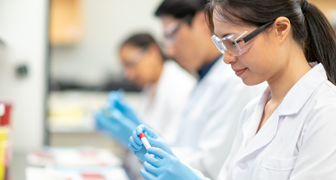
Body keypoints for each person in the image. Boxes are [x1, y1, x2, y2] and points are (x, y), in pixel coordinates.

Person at [128, 0, 336, 179]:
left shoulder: (326, 111)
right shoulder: (253, 111)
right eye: (222, 44)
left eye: (234, 42)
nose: (227, 58)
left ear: (280, 29)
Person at [95, 33, 196, 146]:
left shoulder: (181, 87)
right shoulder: (150, 86)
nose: (128, 75)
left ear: (153, 53)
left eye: (131, 64)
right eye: (124, 68)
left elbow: (175, 150)